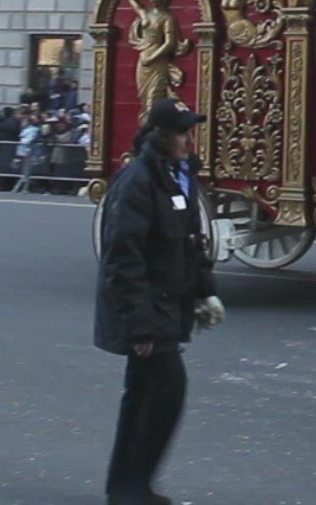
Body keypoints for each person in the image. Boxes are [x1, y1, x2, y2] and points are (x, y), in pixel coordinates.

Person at [95, 98, 225, 505]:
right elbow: (123, 258)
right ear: (161, 135)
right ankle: (130, 487)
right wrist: (140, 327)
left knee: (145, 394)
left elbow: (191, 242)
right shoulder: (138, 180)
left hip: (167, 303)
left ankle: (128, 485)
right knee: (163, 391)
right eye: (183, 133)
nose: (190, 140)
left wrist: (204, 291)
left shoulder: (175, 175)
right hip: (151, 308)